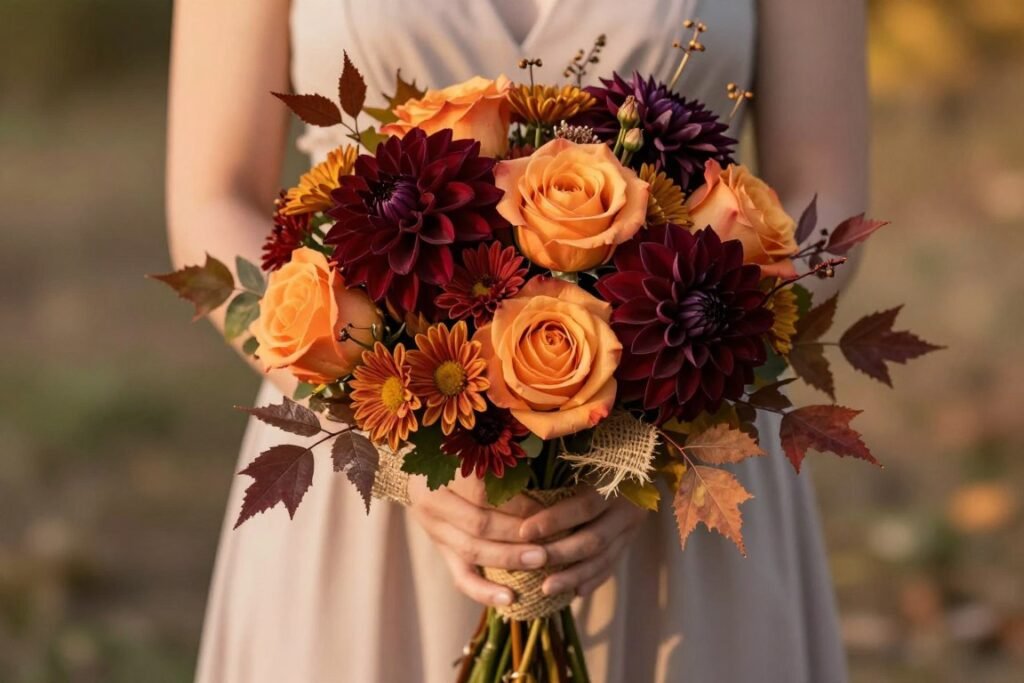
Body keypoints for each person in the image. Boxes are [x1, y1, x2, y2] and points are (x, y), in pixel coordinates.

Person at [166, 1, 867, 680]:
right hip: (363, 448)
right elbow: (212, 198)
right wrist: (393, 445)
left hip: (689, 429)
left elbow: (825, 202)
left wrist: (651, 442)